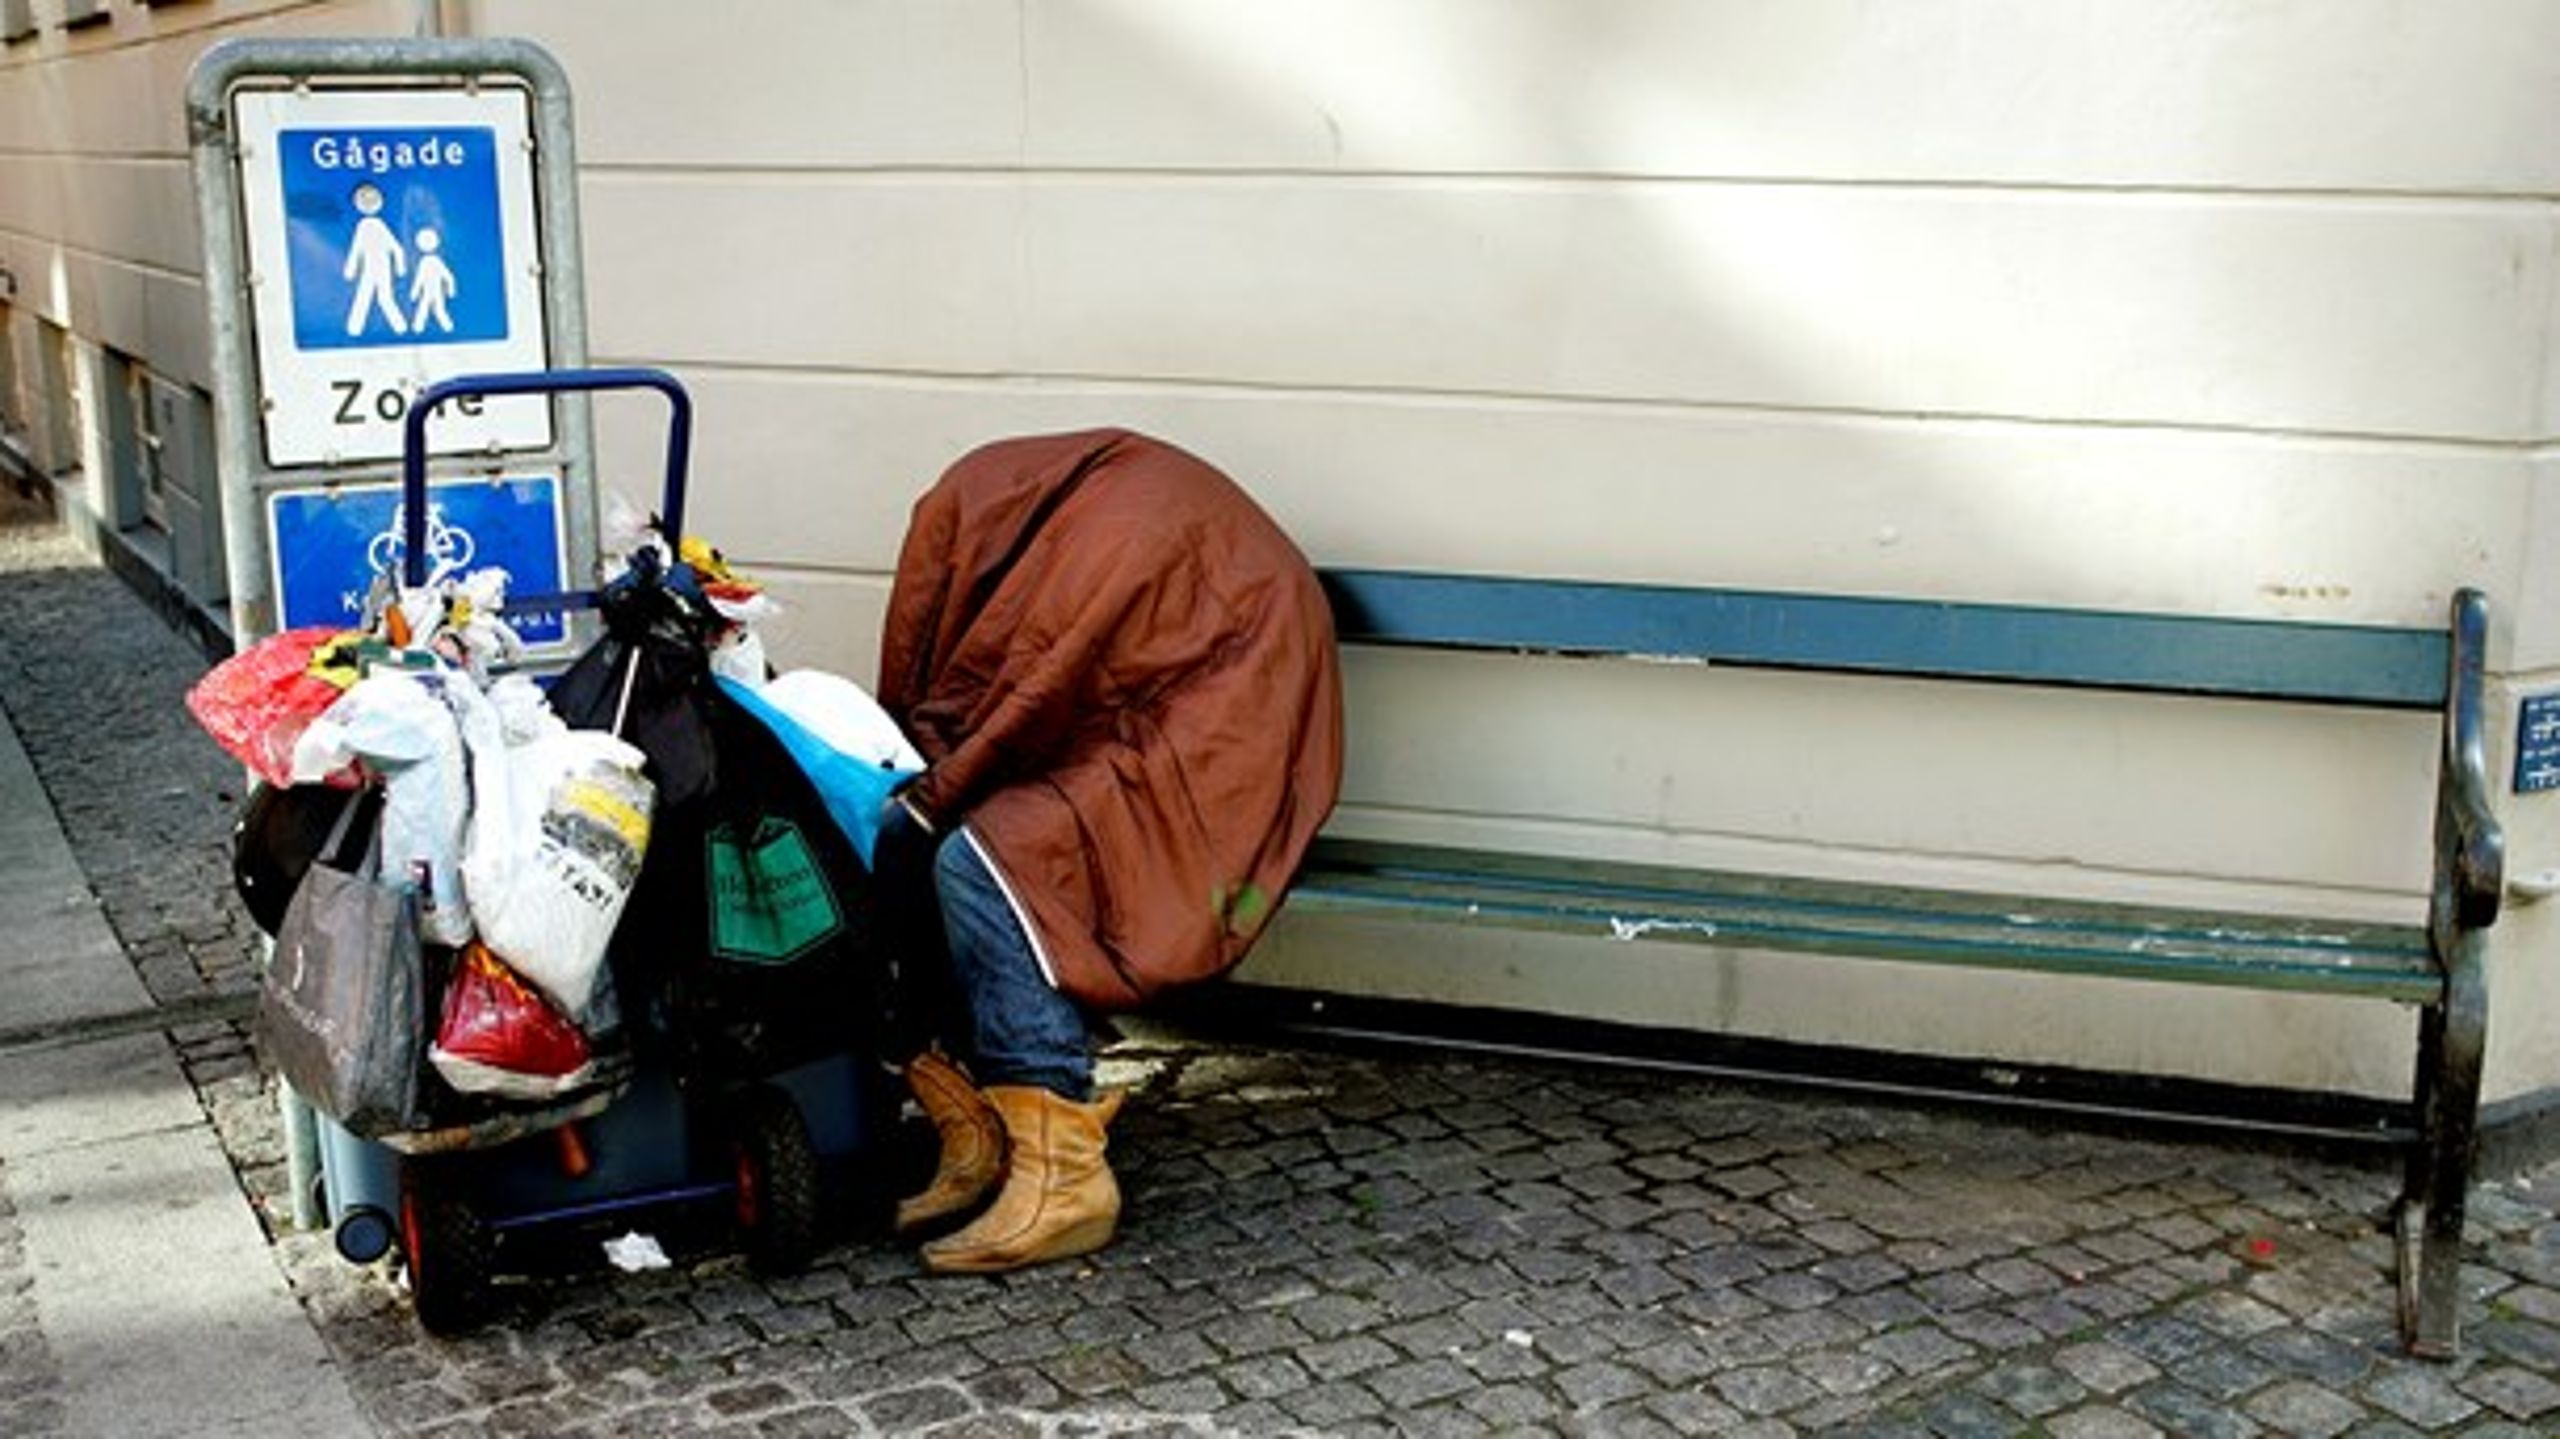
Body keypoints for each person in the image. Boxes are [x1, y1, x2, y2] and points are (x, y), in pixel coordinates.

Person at [871, 428, 1344, 1274]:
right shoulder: (1074, 513)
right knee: (945, 845)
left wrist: (928, 796)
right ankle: (983, 1128)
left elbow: (1025, 699)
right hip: (1182, 714)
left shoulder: (1091, 542)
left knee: (989, 863)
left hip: (1232, 741)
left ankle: (1064, 1171)